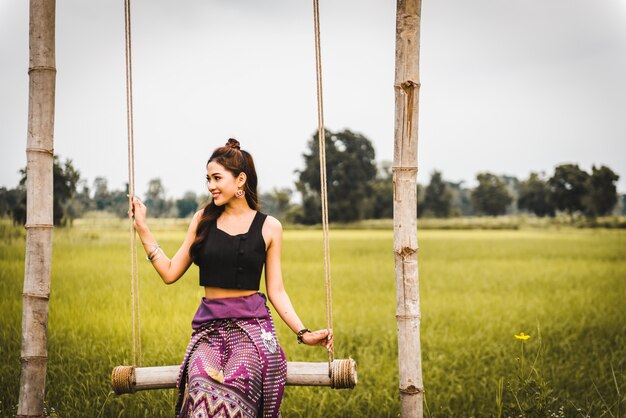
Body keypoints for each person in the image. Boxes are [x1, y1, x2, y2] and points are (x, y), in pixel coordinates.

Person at [128, 138, 332, 418]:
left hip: (251, 330)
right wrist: (143, 229)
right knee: (200, 385)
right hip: (209, 332)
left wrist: (304, 333)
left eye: (217, 178)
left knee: (240, 381)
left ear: (240, 181)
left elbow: (277, 291)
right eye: (208, 179)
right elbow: (170, 272)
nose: (210, 185)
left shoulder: (270, 227)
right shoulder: (203, 220)